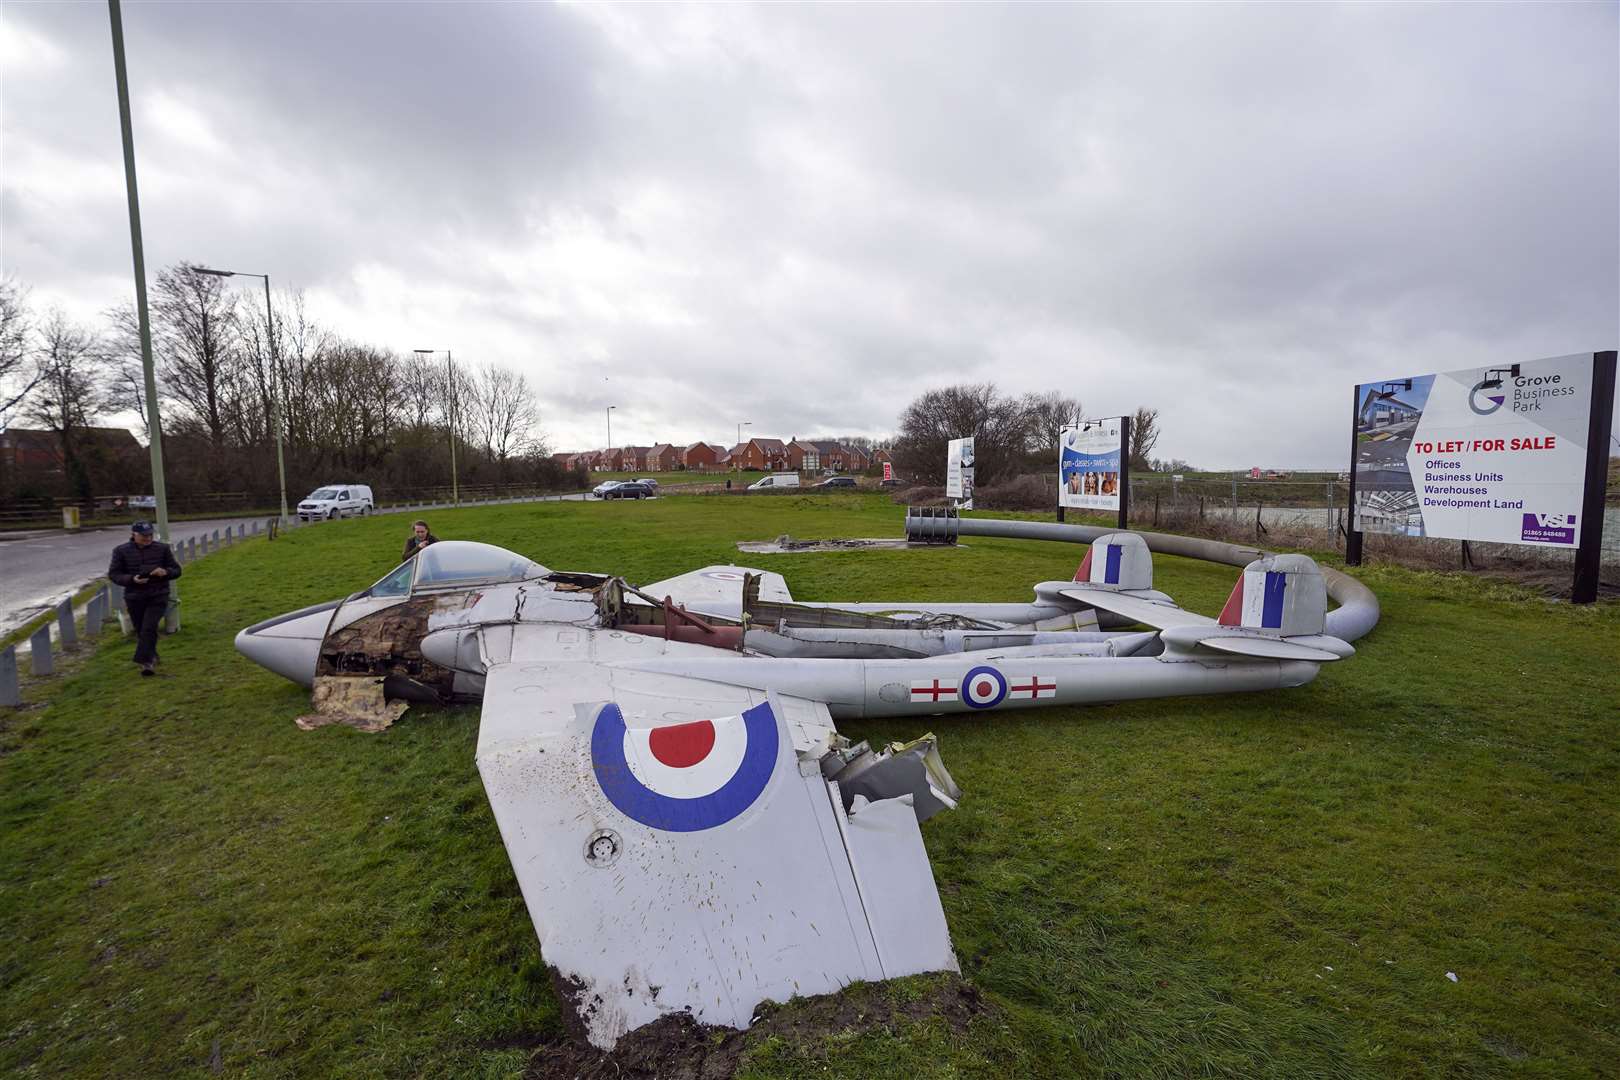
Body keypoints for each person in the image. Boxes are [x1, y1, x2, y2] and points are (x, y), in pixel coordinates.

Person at [107, 521, 181, 677]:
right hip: (134, 596)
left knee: (149, 626)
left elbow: (176, 570)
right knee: (142, 630)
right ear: (134, 534)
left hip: (158, 594)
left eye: (150, 535)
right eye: (143, 536)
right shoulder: (120, 551)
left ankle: (145, 662)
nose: (147, 538)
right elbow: (114, 574)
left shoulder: (162, 549)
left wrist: (165, 572)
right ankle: (152, 655)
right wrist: (132, 579)